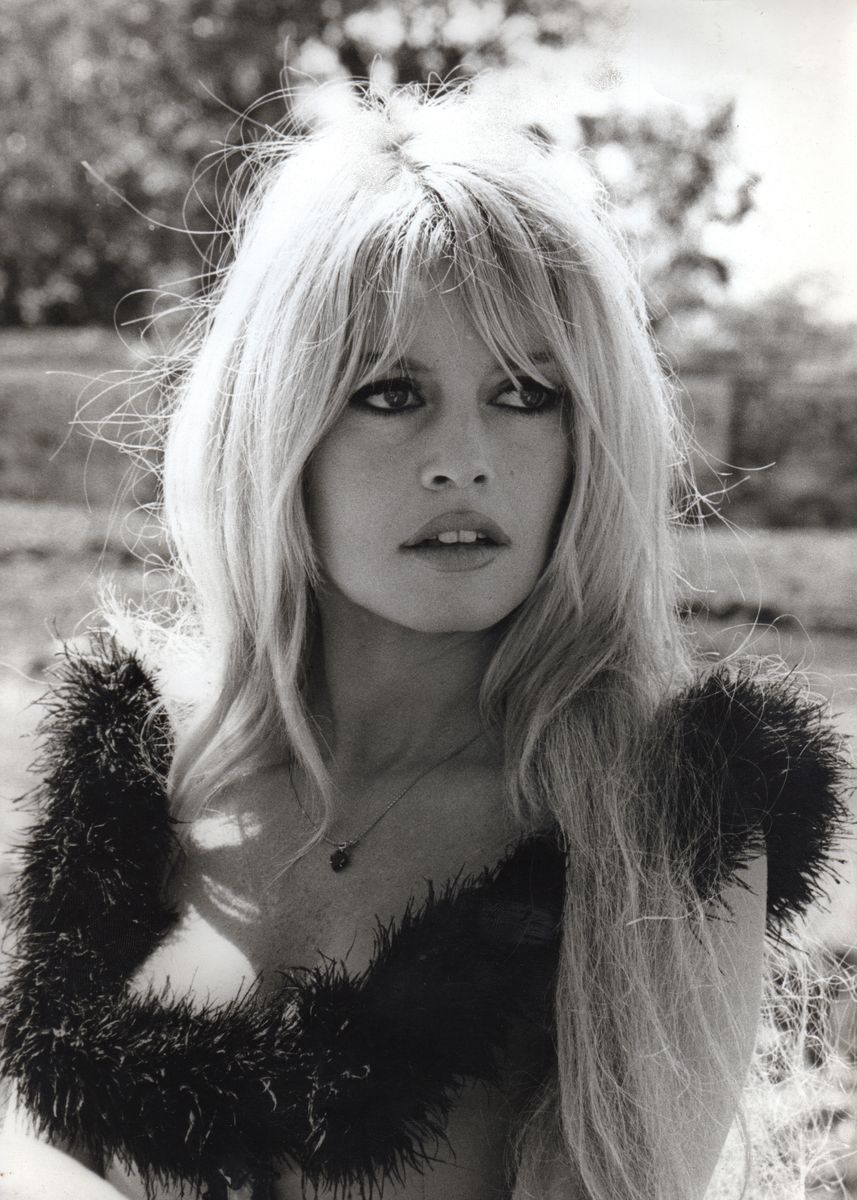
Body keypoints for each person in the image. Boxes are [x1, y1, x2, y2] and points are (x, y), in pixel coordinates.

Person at [0, 84, 850, 1200]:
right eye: (391, 391)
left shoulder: (655, 809)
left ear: (588, 431)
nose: (464, 458)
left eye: (525, 392)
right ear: (275, 425)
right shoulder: (138, 763)